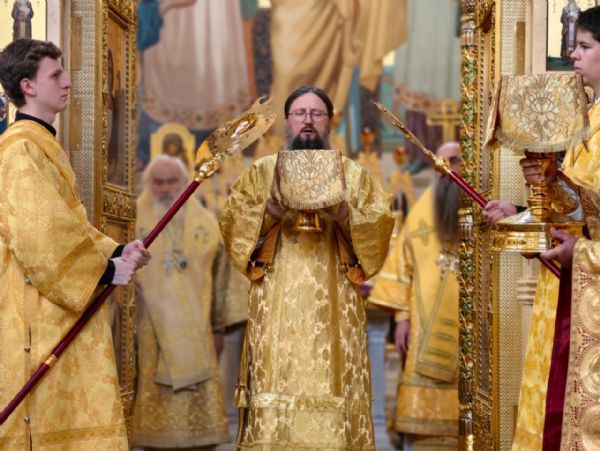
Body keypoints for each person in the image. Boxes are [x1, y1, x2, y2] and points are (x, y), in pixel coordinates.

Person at [219, 86, 394, 448]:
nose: (308, 121)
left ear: (330, 121)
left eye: (317, 113)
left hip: (335, 310)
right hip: (276, 308)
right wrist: (269, 212)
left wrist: (343, 214)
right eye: (300, 113)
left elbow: (379, 227)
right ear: (287, 121)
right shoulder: (262, 172)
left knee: (332, 385)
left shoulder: (352, 175)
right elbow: (233, 227)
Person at [0, 39, 151, 449]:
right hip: (38, 313)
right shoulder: (21, 149)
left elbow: (68, 224)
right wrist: (106, 270)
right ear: (28, 86)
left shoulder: (40, 143)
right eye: (56, 75)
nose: (67, 83)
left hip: (55, 307)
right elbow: (40, 236)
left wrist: (116, 252)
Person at [484, 7, 600, 449]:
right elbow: (578, 209)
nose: (574, 55)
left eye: (585, 46)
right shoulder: (586, 116)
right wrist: (525, 211)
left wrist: (579, 249)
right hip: (570, 286)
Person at [132, 155, 231, 450]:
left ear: (184, 183)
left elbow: (222, 278)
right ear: (148, 184)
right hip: (147, 329)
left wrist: (219, 327)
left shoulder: (206, 223)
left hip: (198, 327)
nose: (165, 189)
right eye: (158, 182)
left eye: (172, 182)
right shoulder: (133, 220)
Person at [371, 142, 460, 449]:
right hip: (423, 325)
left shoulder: (480, 209)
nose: (446, 168)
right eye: (440, 162)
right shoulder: (421, 212)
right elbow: (402, 268)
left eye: (454, 160)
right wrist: (402, 319)